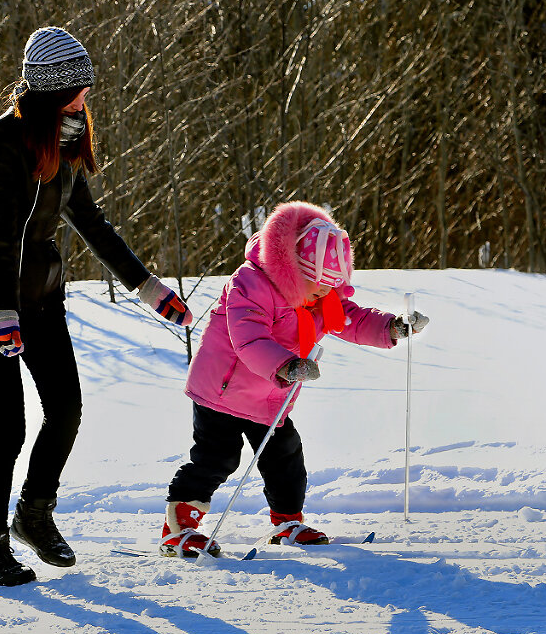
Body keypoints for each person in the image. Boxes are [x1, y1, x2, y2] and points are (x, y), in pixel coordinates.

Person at [0, 26, 193, 586]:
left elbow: (91, 223)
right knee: (7, 426)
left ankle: (33, 514)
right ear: (49, 93)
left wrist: (149, 288)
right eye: (76, 92)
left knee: (66, 408)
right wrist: (1, 316)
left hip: (41, 296)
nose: (86, 101)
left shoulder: (64, 138)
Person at [159, 200, 428, 556]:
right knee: (217, 458)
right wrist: (286, 365)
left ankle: (287, 521)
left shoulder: (319, 295)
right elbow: (249, 338)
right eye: (319, 287)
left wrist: (392, 327)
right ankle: (179, 526)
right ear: (294, 271)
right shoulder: (250, 283)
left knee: (285, 455)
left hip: (271, 396)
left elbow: (352, 319)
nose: (324, 295)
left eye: (331, 288)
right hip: (222, 392)